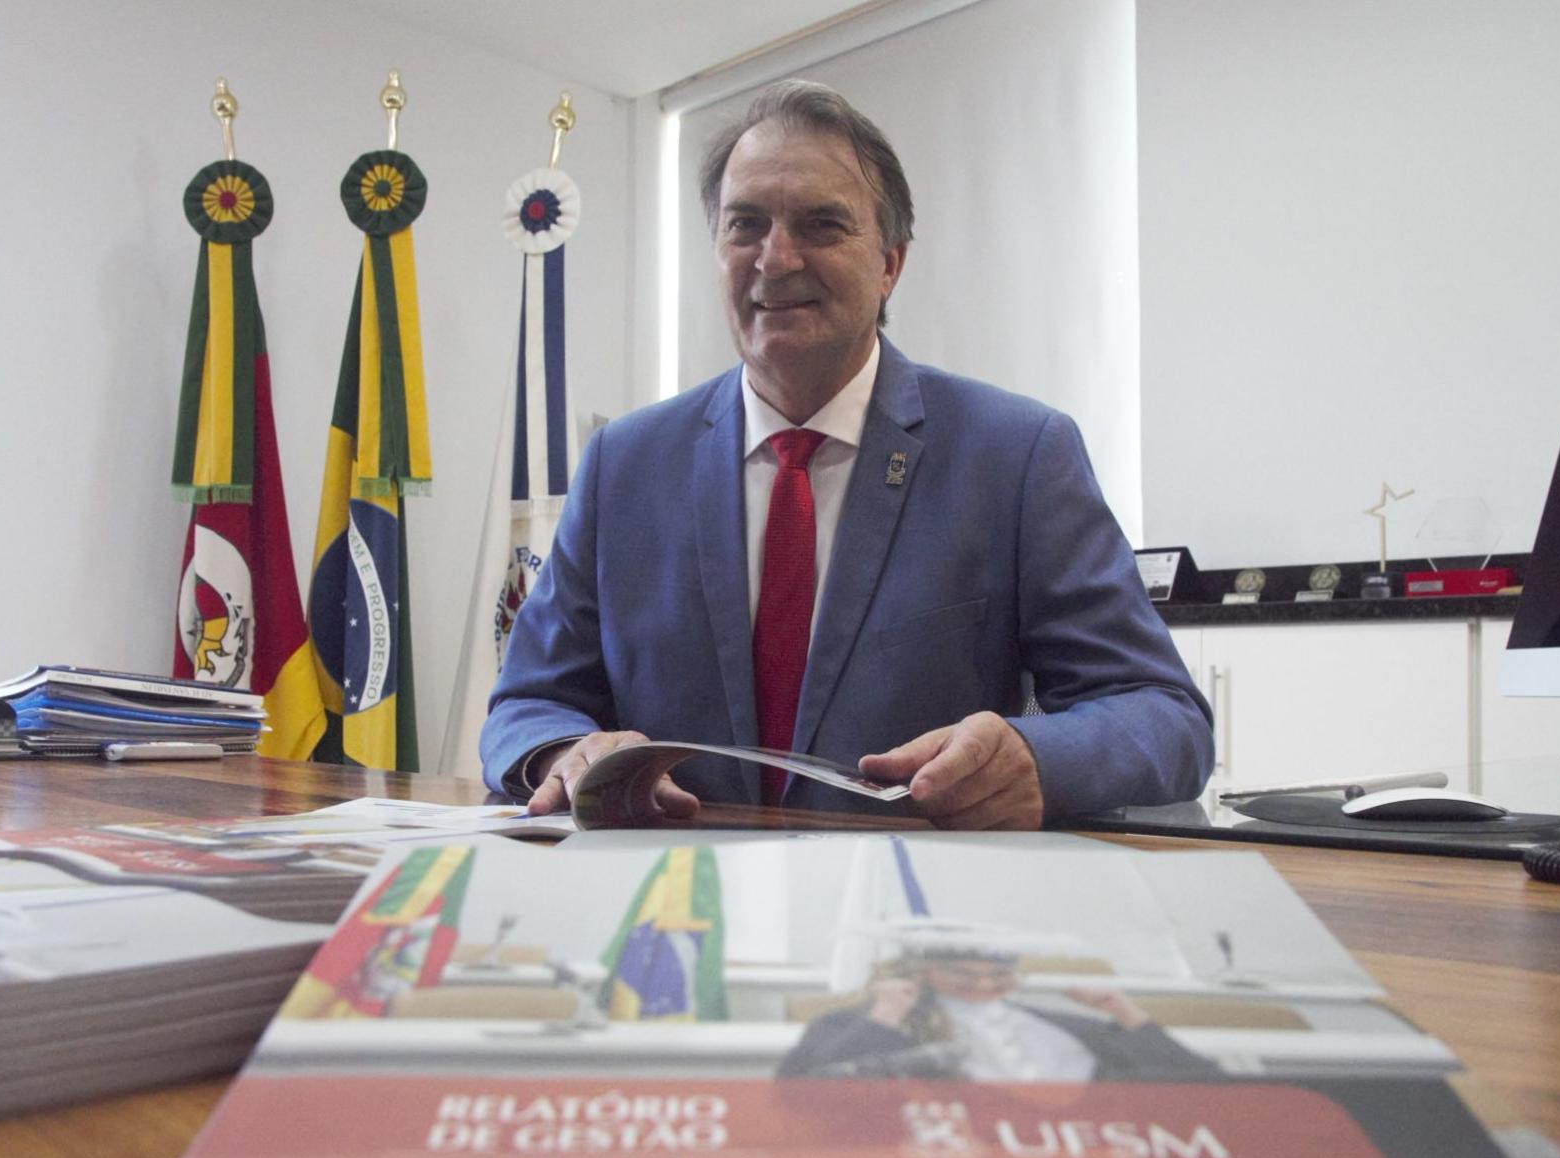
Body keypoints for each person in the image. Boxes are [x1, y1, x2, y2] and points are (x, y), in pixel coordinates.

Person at [480, 80, 1213, 829]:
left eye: (821, 225)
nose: (775, 259)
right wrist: (561, 752)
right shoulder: (624, 465)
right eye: (745, 225)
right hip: (675, 893)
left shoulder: (1015, 455)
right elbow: (527, 701)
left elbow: (1164, 715)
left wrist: (1035, 757)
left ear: (890, 263)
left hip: (916, 893)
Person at [776, 953, 1217, 1082]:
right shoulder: (863, 1022)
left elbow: (1199, 1084)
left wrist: (1125, 1013)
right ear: (927, 972)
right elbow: (803, 1095)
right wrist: (887, 1013)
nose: (984, 985)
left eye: (998, 975)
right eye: (965, 975)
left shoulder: (1072, 1026)